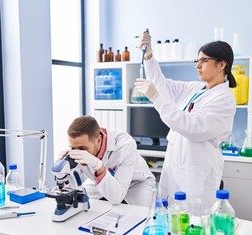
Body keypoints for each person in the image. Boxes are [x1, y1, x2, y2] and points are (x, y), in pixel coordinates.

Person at [135, 32, 237, 210]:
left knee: (193, 229)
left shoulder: (224, 99)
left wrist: (156, 98)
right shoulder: (194, 88)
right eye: (197, 60)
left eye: (204, 60)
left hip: (196, 179)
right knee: (170, 224)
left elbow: (192, 127)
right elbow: (161, 84)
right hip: (174, 171)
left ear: (221, 64)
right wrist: (149, 55)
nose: (198, 65)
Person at [58, 115, 156, 207]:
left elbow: (116, 198)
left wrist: (98, 166)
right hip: (100, 182)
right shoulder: (81, 146)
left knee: (139, 215)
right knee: (81, 205)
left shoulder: (125, 144)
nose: (78, 152)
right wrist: (63, 167)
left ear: (99, 140)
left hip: (137, 183)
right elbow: (72, 177)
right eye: (73, 148)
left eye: (83, 148)